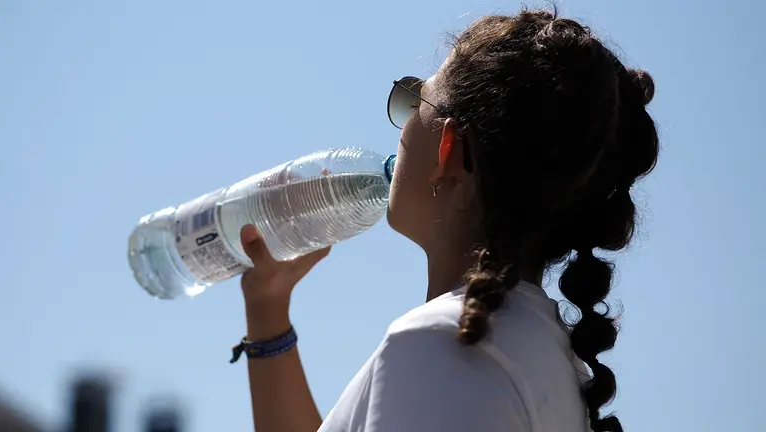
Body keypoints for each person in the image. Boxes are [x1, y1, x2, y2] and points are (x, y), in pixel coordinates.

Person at [232, 7, 659, 432]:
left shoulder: (441, 345)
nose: (400, 129)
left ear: (448, 150)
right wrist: (268, 313)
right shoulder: (550, 358)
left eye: (415, 99)